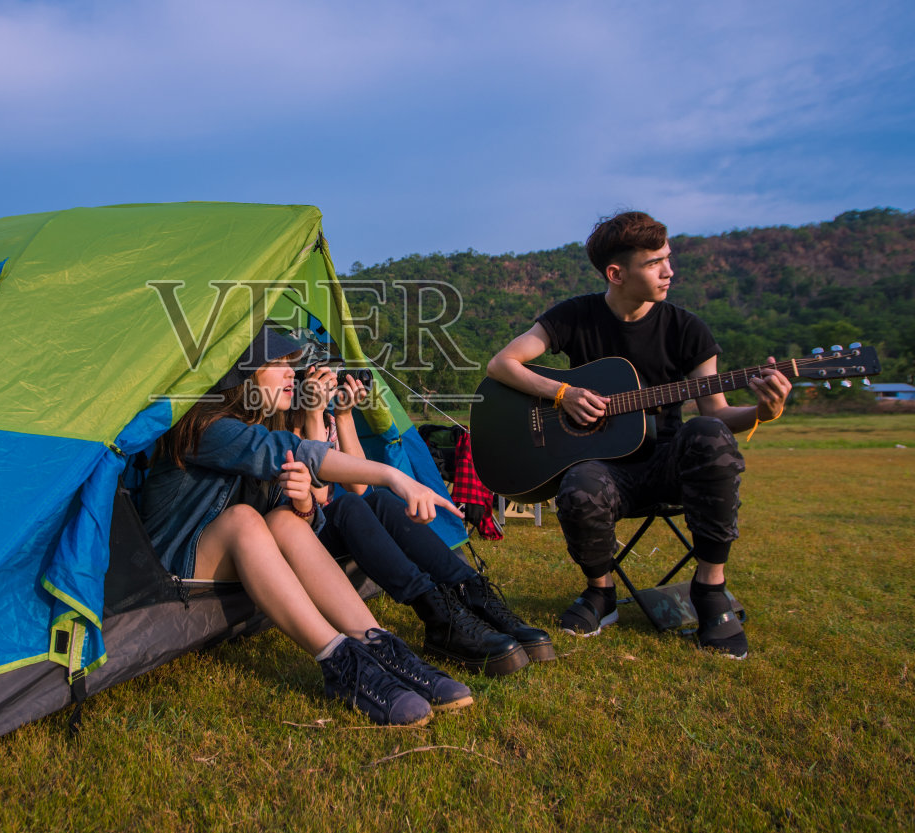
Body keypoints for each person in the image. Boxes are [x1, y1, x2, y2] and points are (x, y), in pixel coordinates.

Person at [486, 211, 791, 660]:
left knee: (707, 434)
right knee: (580, 483)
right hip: (604, 471)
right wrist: (562, 392)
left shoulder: (687, 329)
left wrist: (765, 410)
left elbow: (718, 414)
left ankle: (711, 591)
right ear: (616, 273)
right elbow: (501, 365)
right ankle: (601, 594)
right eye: (655, 263)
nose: (670, 271)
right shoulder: (574, 317)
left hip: (667, 464)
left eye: (668, 258)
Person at [141, 325, 472, 726]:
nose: (290, 375)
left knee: (283, 519)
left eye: (290, 365)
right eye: (276, 364)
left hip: (228, 557)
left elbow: (301, 523)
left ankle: (380, 644)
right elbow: (290, 453)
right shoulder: (206, 427)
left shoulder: (268, 426)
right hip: (173, 562)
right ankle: (339, 661)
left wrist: (300, 501)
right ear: (240, 377)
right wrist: (394, 476)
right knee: (246, 520)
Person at [291, 360, 554, 675]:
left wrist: (344, 415)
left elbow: (357, 484)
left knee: (381, 500)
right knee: (349, 507)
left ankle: (472, 595)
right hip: (298, 534)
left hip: (328, 525)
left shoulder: (326, 419)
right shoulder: (273, 422)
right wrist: (310, 414)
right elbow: (319, 496)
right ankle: (438, 615)